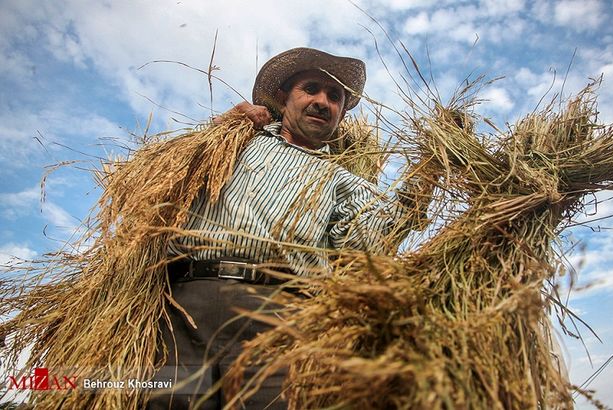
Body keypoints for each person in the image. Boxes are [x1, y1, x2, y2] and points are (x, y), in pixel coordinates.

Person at [147, 47, 428, 409]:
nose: (322, 102)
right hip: (190, 304)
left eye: (335, 97)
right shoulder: (237, 141)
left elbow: (363, 246)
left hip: (282, 316)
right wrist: (221, 128)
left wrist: (422, 182)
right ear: (282, 97)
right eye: (310, 89)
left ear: (340, 114)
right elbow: (164, 177)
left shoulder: (342, 180)